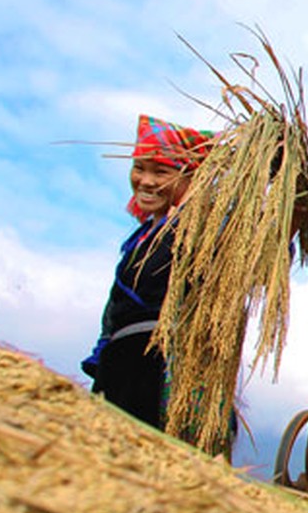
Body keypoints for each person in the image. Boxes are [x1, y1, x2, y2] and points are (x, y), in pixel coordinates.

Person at [82, 114, 213, 429]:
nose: (146, 181)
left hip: (163, 371)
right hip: (119, 371)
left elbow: (260, 242)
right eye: (139, 167)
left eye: (161, 171)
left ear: (190, 179)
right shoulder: (138, 241)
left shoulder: (199, 230)